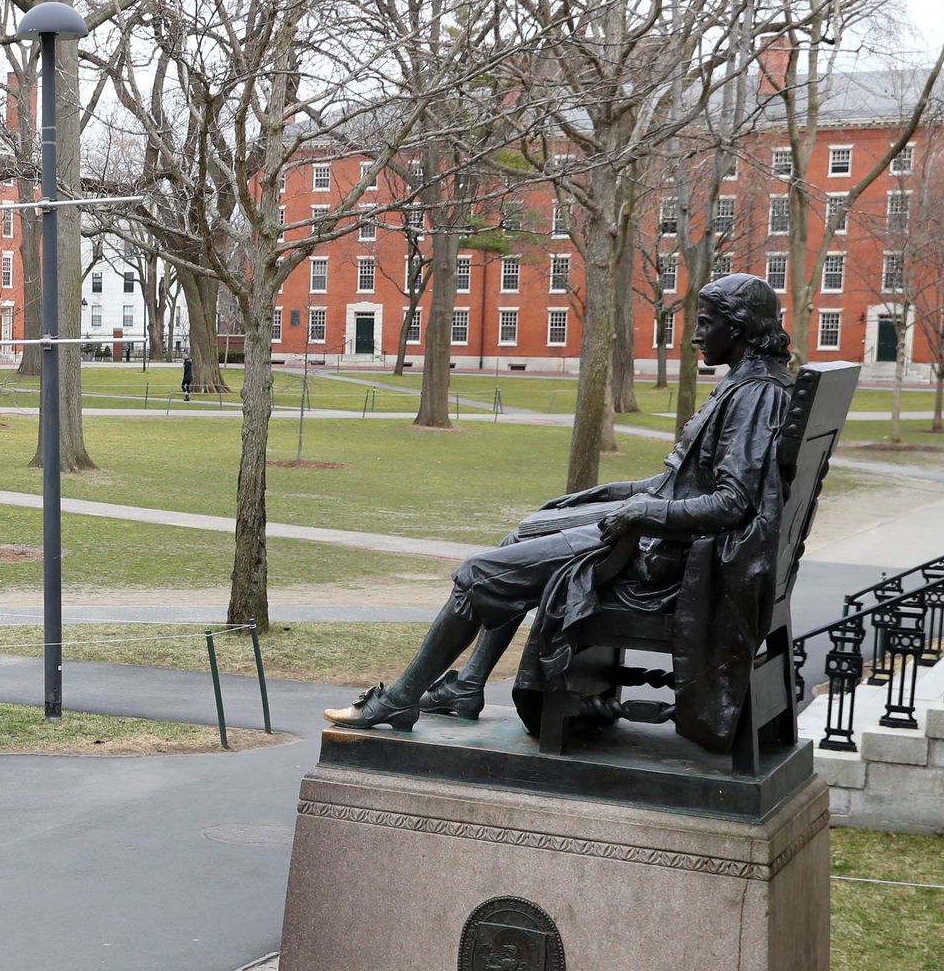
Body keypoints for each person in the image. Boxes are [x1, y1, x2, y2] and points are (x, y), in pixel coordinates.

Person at [325, 273, 795, 752]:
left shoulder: (755, 395)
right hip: (666, 539)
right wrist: (606, 492)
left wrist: (638, 512)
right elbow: (686, 480)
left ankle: (401, 698)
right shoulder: (750, 384)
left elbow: (732, 503)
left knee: (476, 575)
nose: (694, 334)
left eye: (706, 322)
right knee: (522, 536)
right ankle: (468, 685)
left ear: (736, 329)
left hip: (667, 561)